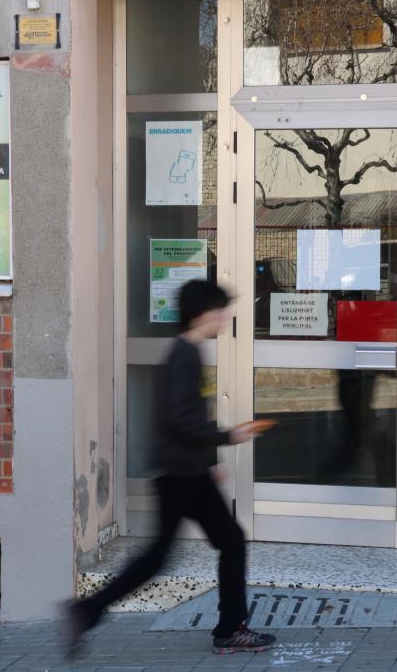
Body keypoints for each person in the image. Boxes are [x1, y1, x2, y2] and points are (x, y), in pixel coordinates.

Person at [63, 279, 276, 655]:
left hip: (187, 471)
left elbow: (184, 417)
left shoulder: (187, 351)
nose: (224, 316)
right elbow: (179, 419)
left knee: (215, 544)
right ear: (201, 313)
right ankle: (229, 630)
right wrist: (229, 435)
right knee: (190, 550)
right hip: (180, 474)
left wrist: (209, 462)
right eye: (219, 309)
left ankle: (88, 611)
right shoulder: (184, 355)